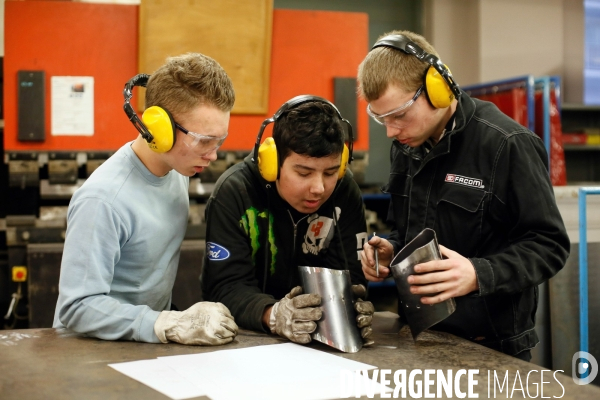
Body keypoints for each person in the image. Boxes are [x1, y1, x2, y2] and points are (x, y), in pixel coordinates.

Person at [357, 31, 570, 361]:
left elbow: (549, 245)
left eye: (398, 115)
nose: (390, 131)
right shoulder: (406, 148)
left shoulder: (506, 144)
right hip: (420, 337)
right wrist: (393, 251)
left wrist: (477, 274)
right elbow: (414, 232)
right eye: (380, 118)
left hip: (493, 348)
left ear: (436, 89)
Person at [53, 53, 239, 345]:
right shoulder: (103, 200)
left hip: (143, 342)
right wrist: (168, 322)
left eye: (219, 141)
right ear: (158, 129)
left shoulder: (177, 171)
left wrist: (164, 322)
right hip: (91, 350)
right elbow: (76, 307)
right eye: (204, 141)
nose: (213, 155)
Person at [201, 96, 374, 345]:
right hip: (243, 342)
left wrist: (353, 308)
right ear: (273, 163)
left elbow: (351, 278)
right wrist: (274, 316)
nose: (319, 188)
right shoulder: (234, 193)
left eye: (330, 172)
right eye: (304, 172)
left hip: (318, 343)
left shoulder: (344, 192)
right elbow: (225, 287)